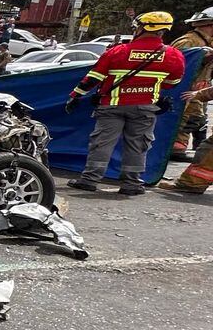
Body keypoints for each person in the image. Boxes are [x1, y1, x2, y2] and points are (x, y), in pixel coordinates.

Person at [66, 11, 185, 196]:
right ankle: (132, 184)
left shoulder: (118, 51)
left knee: (102, 143)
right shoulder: (173, 55)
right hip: (145, 109)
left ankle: (89, 180)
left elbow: (93, 78)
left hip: (111, 106)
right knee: (138, 145)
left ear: (142, 28)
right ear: (162, 32)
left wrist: (75, 96)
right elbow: (172, 83)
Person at [169, 6, 213, 158]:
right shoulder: (188, 42)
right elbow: (177, 66)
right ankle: (175, 150)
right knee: (186, 120)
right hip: (184, 92)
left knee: (194, 120)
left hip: (198, 92)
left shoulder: (207, 42)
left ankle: (178, 149)